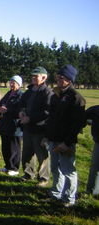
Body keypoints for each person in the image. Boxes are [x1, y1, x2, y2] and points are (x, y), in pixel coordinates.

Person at [45, 64, 85, 207]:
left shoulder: (76, 98)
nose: (59, 79)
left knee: (68, 170)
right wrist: (47, 136)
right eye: (58, 77)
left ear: (69, 79)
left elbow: (77, 125)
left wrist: (67, 143)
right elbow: (51, 118)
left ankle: (69, 198)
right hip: (53, 139)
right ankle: (56, 193)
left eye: (62, 77)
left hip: (65, 141)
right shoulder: (56, 95)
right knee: (55, 168)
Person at [19, 66, 52, 186]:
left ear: (44, 77)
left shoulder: (47, 92)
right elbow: (22, 103)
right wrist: (22, 112)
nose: (33, 78)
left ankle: (43, 178)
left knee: (41, 155)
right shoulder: (30, 91)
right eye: (32, 75)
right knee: (27, 153)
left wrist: (30, 118)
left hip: (40, 129)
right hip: (27, 128)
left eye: (36, 76)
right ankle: (28, 174)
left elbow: (47, 112)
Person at [0, 75, 23, 176]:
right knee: (5, 146)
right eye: (11, 82)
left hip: (15, 125)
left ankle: (14, 168)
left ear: (19, 84)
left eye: (14, 83)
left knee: (14, 148)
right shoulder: (8, 93)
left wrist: (8, 110)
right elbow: (1, 103)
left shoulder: (21, 95)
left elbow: (21, 111)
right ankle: (7, 165)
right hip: (5, 124)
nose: (11, 84)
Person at [85, 105, 99, 195]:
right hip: (98, 142)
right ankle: (91, 191)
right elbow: (83, 116)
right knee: (95, 167)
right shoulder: (95, 110)